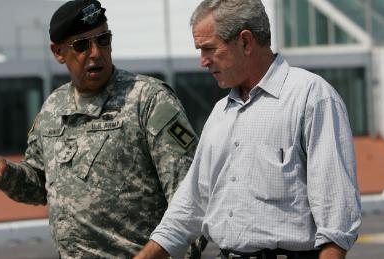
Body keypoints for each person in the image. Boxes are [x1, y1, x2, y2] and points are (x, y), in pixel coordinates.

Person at [0, 0, 205, 258]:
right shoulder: (53, 107)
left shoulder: (148, 100)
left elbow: (190, 198)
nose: (96, 52)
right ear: (58, 52)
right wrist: (5, 174)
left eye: (103, 40)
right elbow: (40, 184)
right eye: (82, 45)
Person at [135, 0, 361, 258]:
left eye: (209, 49)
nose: (203, 61)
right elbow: (189, 208)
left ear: (245, 42)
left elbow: (337, 216)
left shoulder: (311, 97)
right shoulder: (220, 114)